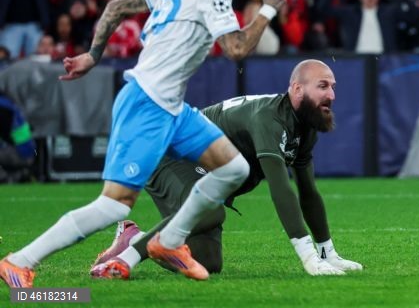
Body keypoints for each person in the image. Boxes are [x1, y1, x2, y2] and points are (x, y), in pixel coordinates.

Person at [0, 0, 287, 288]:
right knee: (114, 205)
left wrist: (92, 55)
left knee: (233, 169)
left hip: (172, 108)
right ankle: (19, 261)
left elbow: (118, 6)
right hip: (148, 104)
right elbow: (235, 49)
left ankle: (168, 241)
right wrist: (268, 10)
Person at [91, 60, 362, 279]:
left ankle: (134, 237)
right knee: (211, 210)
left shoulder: (304, 126)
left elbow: (308, 192)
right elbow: (281, 189)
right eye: (323, 86)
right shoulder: (270, 118)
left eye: (333, 87)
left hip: (204, 172)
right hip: (170, 156)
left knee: (206, 264)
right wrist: (308, 257)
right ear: (297, 89)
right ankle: (125, 259)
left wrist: (327, 252)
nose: (332, 95)